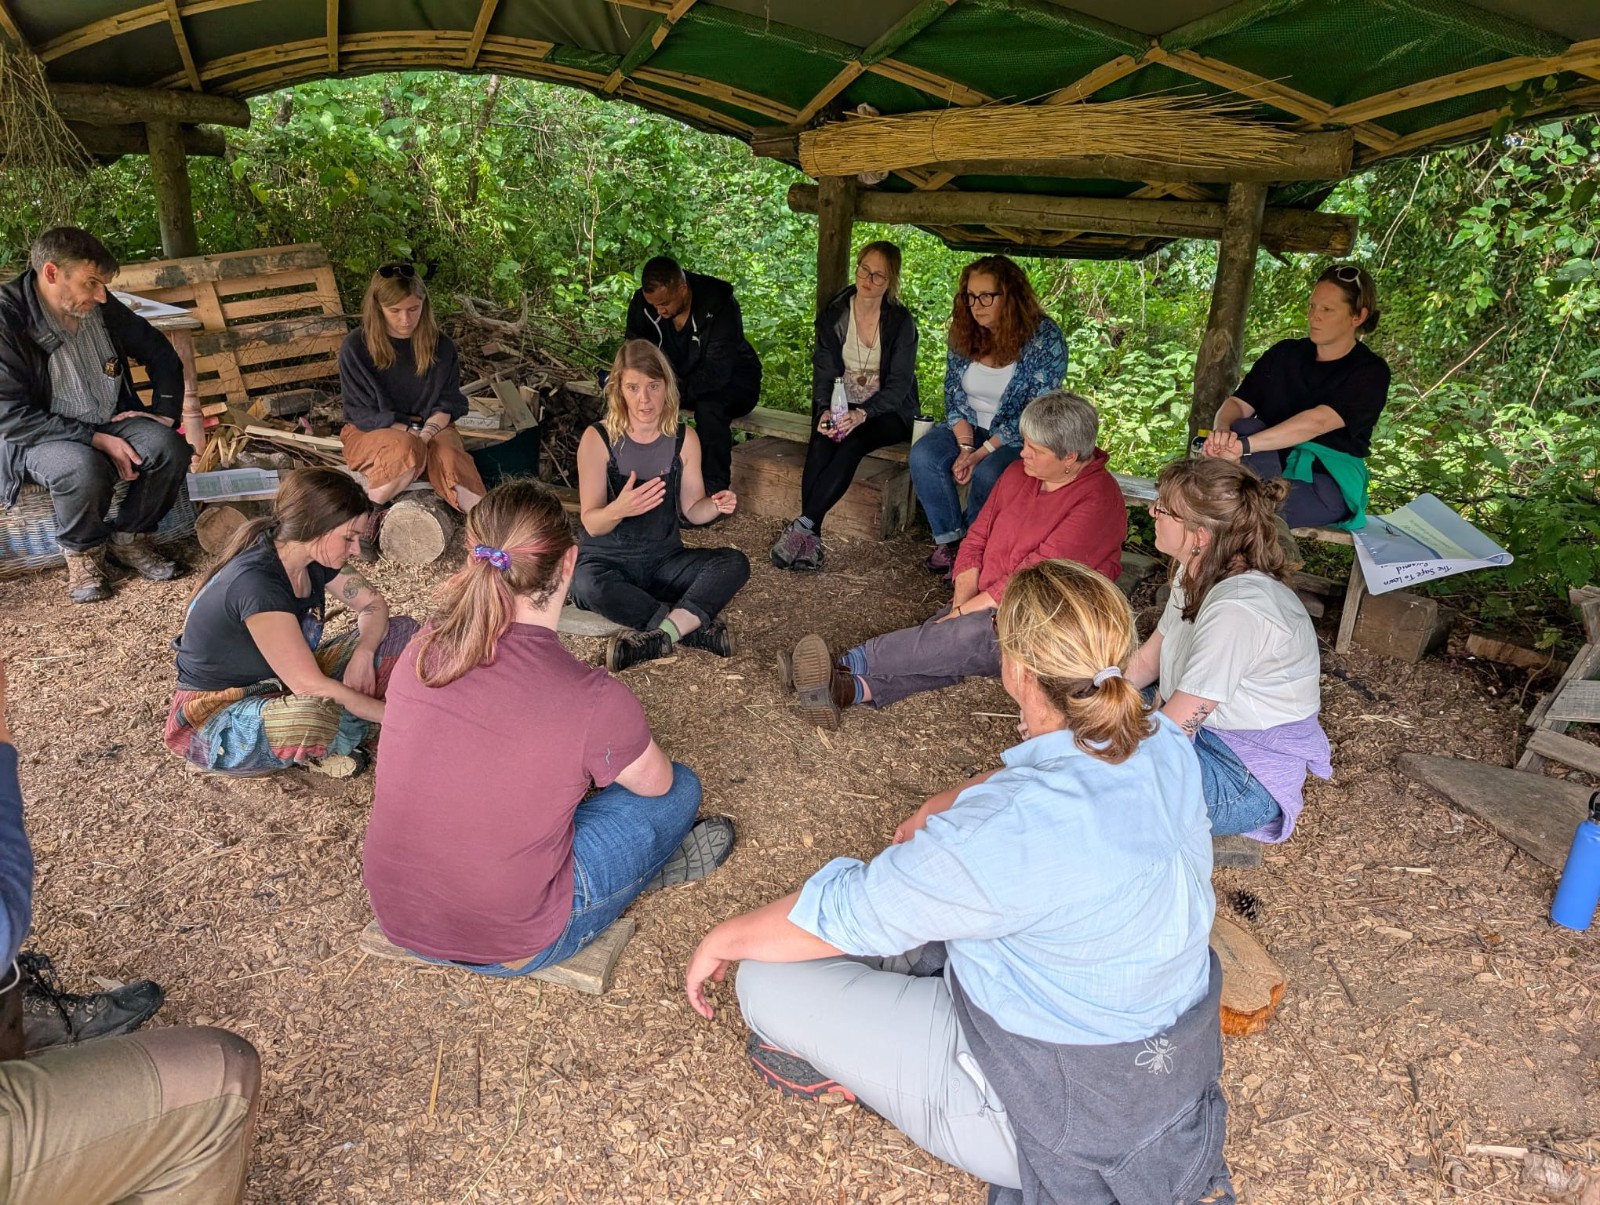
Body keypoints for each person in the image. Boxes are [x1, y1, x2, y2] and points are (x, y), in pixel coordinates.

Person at [687, 560, 1234, 1205]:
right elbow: (1048, 781)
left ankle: (867, 1075)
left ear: (1017, 669)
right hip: (1166, 1074)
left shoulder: (1006, 832)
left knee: (765, 979)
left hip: (1047, 1111)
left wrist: (723, 938)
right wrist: (949, 801)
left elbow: (848, 911)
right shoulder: (1163, 741)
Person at [363, 479, 736, 973]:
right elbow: (658, 784)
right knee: (682, 788)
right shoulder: (593, 696)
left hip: (402, 916)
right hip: (514, 939)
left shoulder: (422, 650)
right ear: (568, 563)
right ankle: (634, 875)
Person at [0, 655, 262, 1201]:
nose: (356, 560)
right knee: (222, 1072)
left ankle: (21, 1013)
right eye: (349, 556)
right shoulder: (259, 589)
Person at [784, 391, 1125, 725]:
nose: (1023, 453)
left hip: (1043, 620)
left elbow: (1029, 578)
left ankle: (843, 664)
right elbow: (977, 536)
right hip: (987, 601)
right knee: (949, 644)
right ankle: (849, 689)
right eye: (1025, 443)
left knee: (961, 639)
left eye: (1036, 450)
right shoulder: (1021, 473)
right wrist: (962, 602)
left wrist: (963, 614)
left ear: (1069, 457)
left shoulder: (1097, 502)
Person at [164, 468, 418, 778]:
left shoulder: (310, 558)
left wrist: (364, 654)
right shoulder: (257, 584)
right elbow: (308, 686)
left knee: (402, 633)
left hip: (280, 685)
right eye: (349, 538)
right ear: (316, 527)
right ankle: (354, 733)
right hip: (219, 714)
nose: (355, 549)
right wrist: (399, 717)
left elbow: (373, 604)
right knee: (311, 715)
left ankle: (342, 735)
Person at [1127, 458, 1331, 841]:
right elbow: (1146, 662)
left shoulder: (1237, 608)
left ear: (1200, 534)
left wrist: (1082, 742)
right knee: (1093, 703)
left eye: (1163, 508)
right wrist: (1094, 700)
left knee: (1111, 790)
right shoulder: (1198, 572)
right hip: (1199, 726)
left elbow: (1175, 730)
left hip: (1242, 772)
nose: (1152, 511)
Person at [0, 226, 192, 604]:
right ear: (52, 273)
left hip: (108, 416)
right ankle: (83, 554)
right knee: (82, 467)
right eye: (91, 283)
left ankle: (130, 538)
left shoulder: (102, 306)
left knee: (169, 447)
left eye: (103, 284)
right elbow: (9, 415)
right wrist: (96, 438)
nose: (102, 295)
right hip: (38, 433)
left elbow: (162, 355)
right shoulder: (7, 319)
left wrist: (165, 415)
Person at [570, 340, 751, 673]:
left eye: (653, 386)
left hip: (663, 561)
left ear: (666, 386)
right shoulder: (597, 439)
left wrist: (714, 505)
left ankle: (661, 634)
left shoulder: (685, 438)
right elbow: (592, 524)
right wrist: (619, 508)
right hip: (607, 563)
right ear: (618, 390)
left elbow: (692, 509)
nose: (644, 399)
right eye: (633, 387)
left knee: (734, 563)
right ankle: (690, 629)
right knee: (585, 585)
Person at [910, 254, 1067, 576]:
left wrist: (981, 455)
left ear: (1010, 296)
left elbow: (1035, 411)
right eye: (969, 296)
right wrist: (966, 448)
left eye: (986, 296)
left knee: (989, 474)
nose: (976, 305)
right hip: (969, 428)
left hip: (1020, 436)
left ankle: (977, 551)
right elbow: (954, 394)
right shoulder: (965, 332)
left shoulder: (1045, 339)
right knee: (924, 455)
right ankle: (952, 543)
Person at [1201, 264, 1388, 530]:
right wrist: (1222, 433)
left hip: (1323, 481)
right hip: (1263, 467)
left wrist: (1243, 447)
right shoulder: (1285, 354)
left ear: (1358, 316)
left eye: (1327, 310)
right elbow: (1238, 404)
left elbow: (1316, 423)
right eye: (1312, 306)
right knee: (1240, 428)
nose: (1314, 317)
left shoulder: (1370, 372)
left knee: (1242, 517)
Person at [770, 241, 919, 572]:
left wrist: (862, 413)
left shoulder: (900, 322)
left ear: (891, 280)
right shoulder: (836, 312)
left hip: (888, 410)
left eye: (878, 275)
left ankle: (803, 527)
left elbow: (899, 384)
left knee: (852, 440)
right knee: (823, 439)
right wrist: (825, 408)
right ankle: (811, 539)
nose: (868, 279)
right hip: (841, 399)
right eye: (864, 269)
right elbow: (824, 368)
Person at [338, 263, 487, 513]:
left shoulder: (442, 346)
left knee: (450, 457)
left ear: (424, 305)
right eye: (394, 310)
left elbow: (447, 403)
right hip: (371, 430)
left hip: (432, 427)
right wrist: (411, 435)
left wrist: (426, 435)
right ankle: (363, 517)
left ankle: (488, 531)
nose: (405, 319)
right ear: (378, 308)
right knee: (405, 449)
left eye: (413, 309)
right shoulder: (356, 347)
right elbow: (362, 413)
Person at [624, 255, 762, 495]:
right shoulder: (644, 305)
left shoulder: (720, 305)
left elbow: (717, 373)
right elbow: (634, 354)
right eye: (654, 305)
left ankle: (713, 490)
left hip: (734, 383)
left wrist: (666, 393)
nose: (660, 310)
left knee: (710, 409)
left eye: (665, 303)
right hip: (677, 382)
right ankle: (635, 478)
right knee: (635, 399)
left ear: (683, 289)